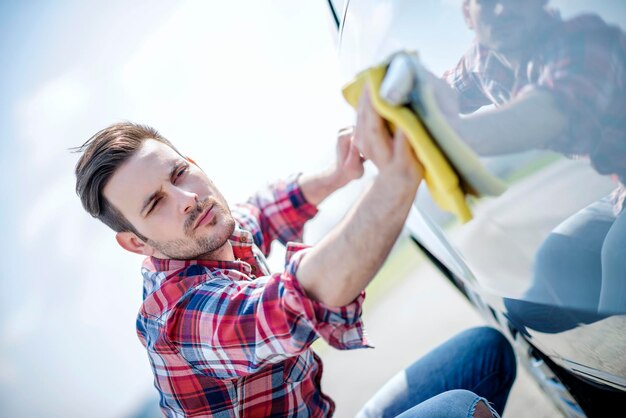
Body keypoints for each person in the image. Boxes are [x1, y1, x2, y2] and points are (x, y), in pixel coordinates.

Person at [74, 92, 516, 417]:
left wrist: (338, 174)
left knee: (486, 352)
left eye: (180, 173)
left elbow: (265, 206)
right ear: (137, 243)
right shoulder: (181, 316)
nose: (186, 198)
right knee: (460, 410)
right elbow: (297, 299)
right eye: (155, 204)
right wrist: (399, 176)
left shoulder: (211, 230)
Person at [425, 0, 626, 318]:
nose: (503, 9)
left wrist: (435, 135)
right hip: (622, 185)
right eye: (487, 2)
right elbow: (442, 95)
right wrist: (388, 114)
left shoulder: (585, 41)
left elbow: (543, 114)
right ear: (468, 15)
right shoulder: (484, 58)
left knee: (620, 257)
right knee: (555, 262)